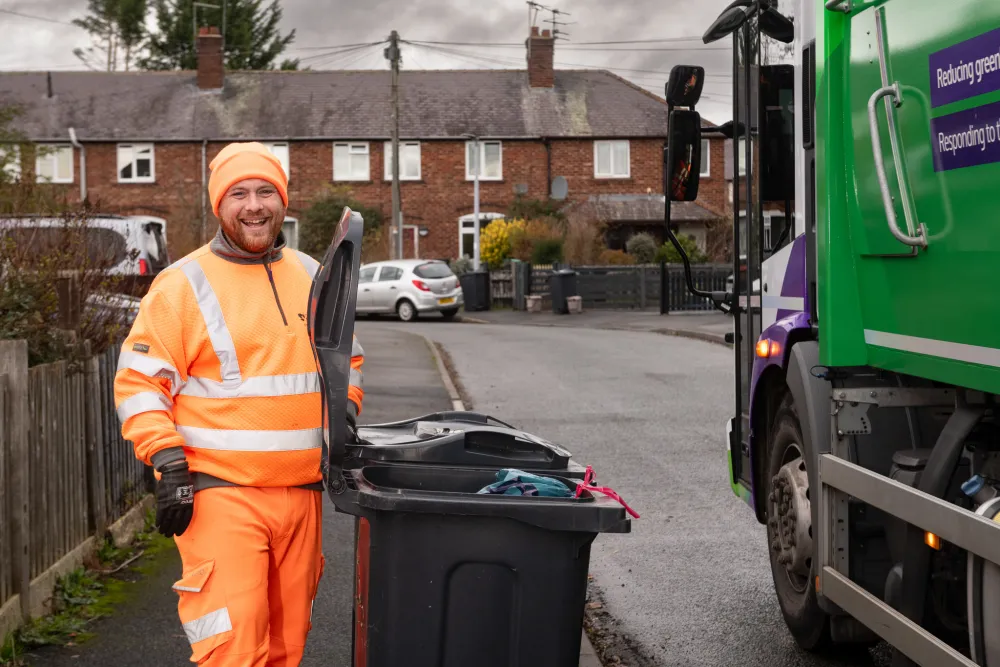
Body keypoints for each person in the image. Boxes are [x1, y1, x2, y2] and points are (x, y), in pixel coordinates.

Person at [113, 141, 364, 666]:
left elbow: (349, 360)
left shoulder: (311, 274)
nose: (254, 205)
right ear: (218, 206)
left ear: (283, 200)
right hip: (222, 494)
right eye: (239, 194)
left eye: (266, 191)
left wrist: (345, 414)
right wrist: (168, 460)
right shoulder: (181, 285)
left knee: (286, 646)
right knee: (233, 648)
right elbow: (139, 384)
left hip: (301, 496)